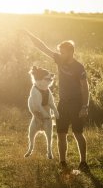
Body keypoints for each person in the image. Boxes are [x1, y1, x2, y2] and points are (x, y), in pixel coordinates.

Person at [20, 30, 90, 172]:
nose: (60, 54)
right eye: (60, 52)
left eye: (63, 52)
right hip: (62, 104)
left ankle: (83, 163)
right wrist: (28, 34)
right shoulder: (59, 60)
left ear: (70, 52)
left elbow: (85, 88)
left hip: (77, 104)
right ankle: (62, 163)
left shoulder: (79, 67)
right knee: (61, 134)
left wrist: (85, 106)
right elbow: (42, 47)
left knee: (78, 133)